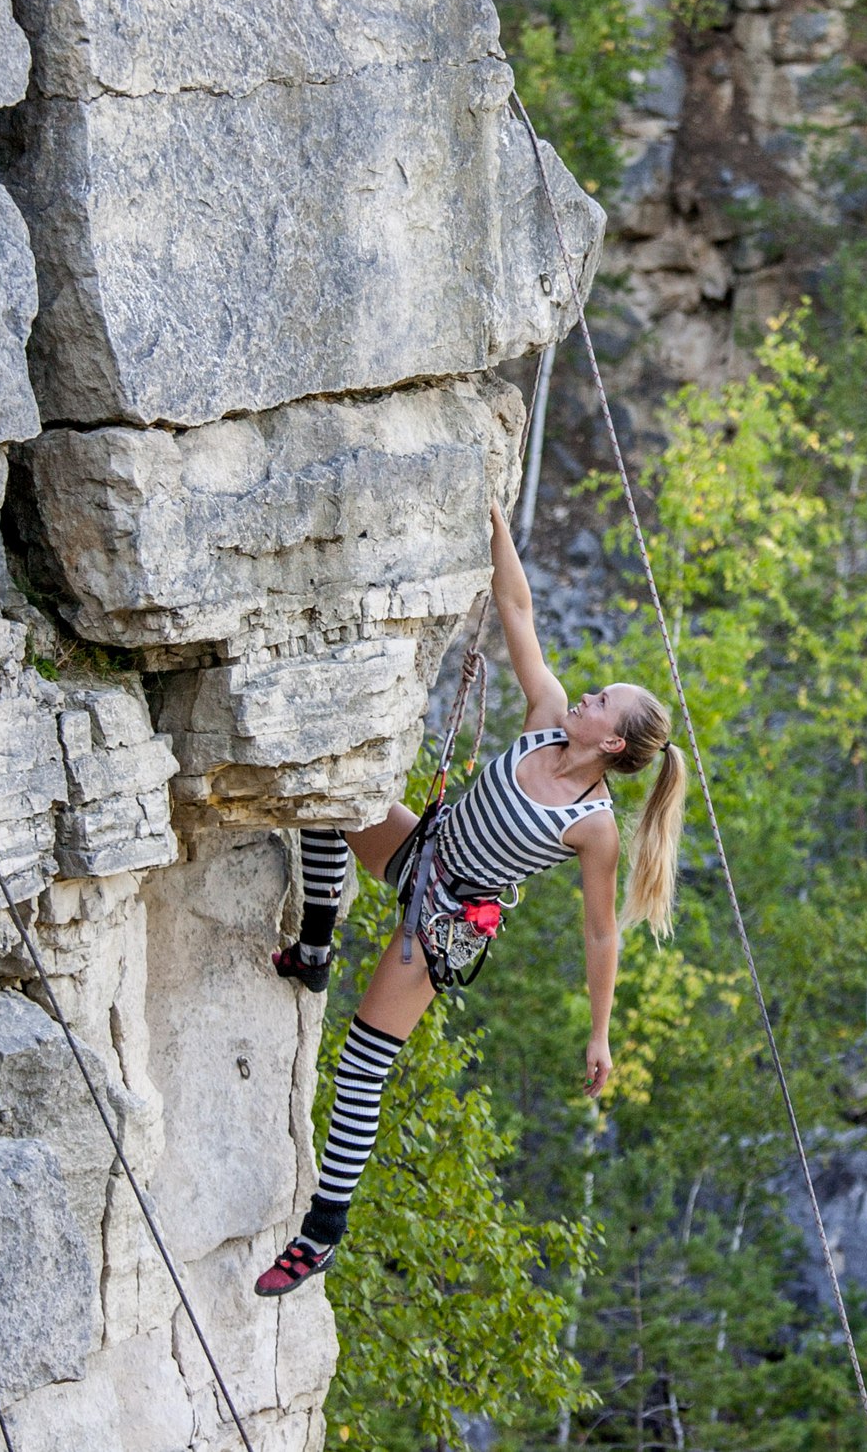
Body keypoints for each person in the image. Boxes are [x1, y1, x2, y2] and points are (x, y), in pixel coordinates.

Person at [253, 498, 687, 1297]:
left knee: (362, 1064)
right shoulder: (547, 720)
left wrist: (600, 1033)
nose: (582, 698)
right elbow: (516, 608)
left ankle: (323, 1231)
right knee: (331, 794)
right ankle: (315, 947)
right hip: (423, 847)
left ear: (613, 743)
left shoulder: (592, 826)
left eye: (599, 702)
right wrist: (493, 518)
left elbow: (600, 936)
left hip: (446, 917)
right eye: (589, 692)